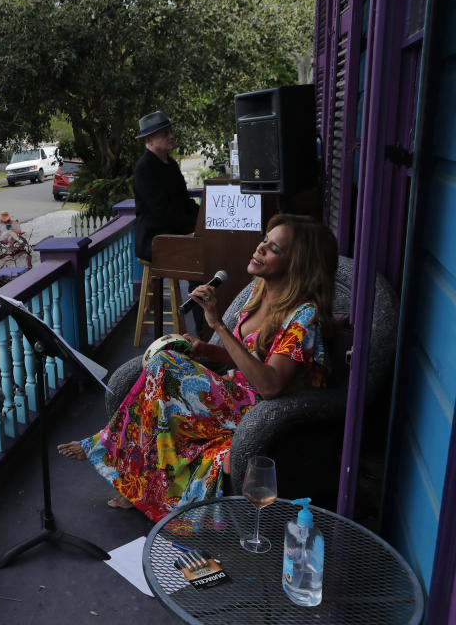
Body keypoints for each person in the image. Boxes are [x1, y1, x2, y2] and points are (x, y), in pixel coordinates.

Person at [57, 214, 337, 523]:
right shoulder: (262, 293)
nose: (260, 249)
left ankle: (109, 446)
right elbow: (248, 358)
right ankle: (134, 482)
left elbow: (270, 385)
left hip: (259, 412)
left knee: (165, 366)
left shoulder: (303, 316)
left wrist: (216, 324)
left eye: (273, 249)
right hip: (236, 393)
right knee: (164, 371)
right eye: (264, 241)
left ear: (297, 264)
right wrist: (206, 349)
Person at [132, 110, 200, 262]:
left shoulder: (171, 164)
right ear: (149, 140)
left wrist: (203, 219)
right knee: (199, 256)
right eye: (164, 134)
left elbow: (185, 201)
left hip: (174, 232)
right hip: (155, 238)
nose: (171, 136)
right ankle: (195, 286)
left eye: (170, 131)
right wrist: (191, 228)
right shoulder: (144, 168)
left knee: (209, 246)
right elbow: (161, 211)